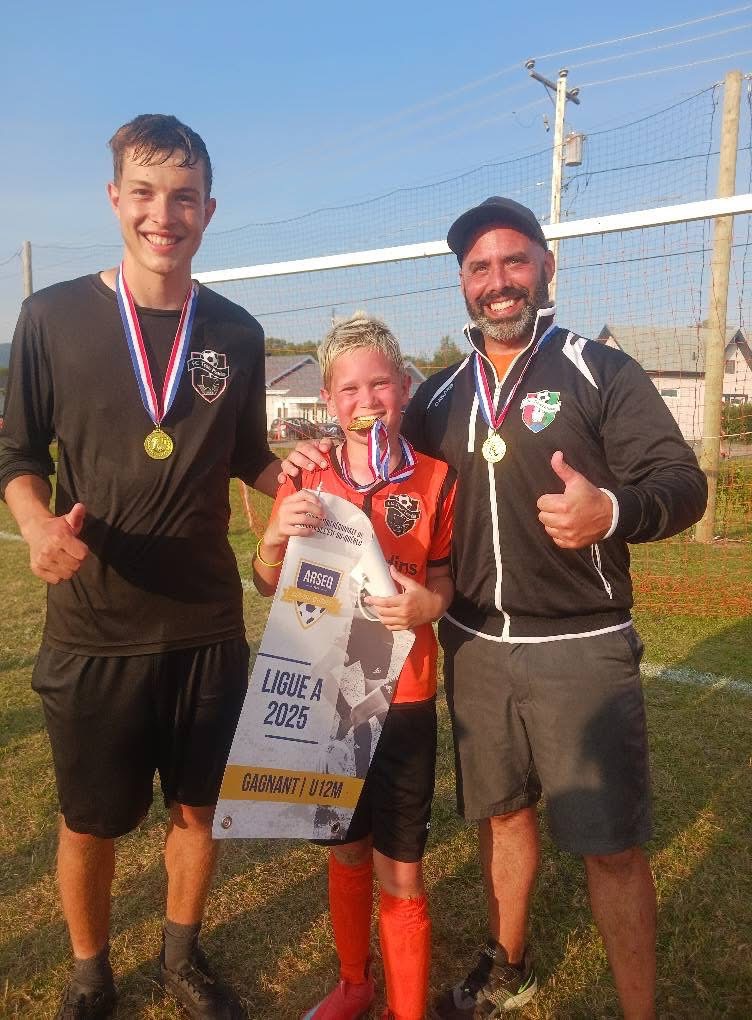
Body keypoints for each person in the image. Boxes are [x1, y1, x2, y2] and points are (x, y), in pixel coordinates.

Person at [285, 198, 708, 1019]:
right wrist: (314, 452)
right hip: (472, 643)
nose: (499, 281)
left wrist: (611, 511)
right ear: (463, 285)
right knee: (502, 816)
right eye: (480, 268)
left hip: (580, 645)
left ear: (547, 267)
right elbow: (377, 455)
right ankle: (507, 965)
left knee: (610, 846)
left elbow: (682, 484)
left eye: (515, 261)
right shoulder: (441, 394)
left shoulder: (598, 369)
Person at [0, 115, 282, 1020]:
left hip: (205, 625)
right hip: (95, 623)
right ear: (114, 198)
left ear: (210, 209)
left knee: (197, 810)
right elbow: (16, 453)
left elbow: (249, 455)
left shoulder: (236, 331)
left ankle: (181, 956)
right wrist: (37, 524)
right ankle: (91, 971)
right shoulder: (50, 318)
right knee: (89, 822)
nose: (166, 214)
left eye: (185, 197)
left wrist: (312, 481)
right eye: (146, 193)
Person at [255, 313, 456, 1020]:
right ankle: (353, 985)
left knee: (401, 873)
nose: (366, 400)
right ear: (328, 400)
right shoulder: (306, 476)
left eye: (380, 384)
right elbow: (267, 582)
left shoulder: (437, 479)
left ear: (404, 387)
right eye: (348, 389)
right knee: (344, 851)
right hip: (326, 697)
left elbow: (443, 576)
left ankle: (407, 1011)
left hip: (405, 698)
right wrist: (272, 538)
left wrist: (430, 603)